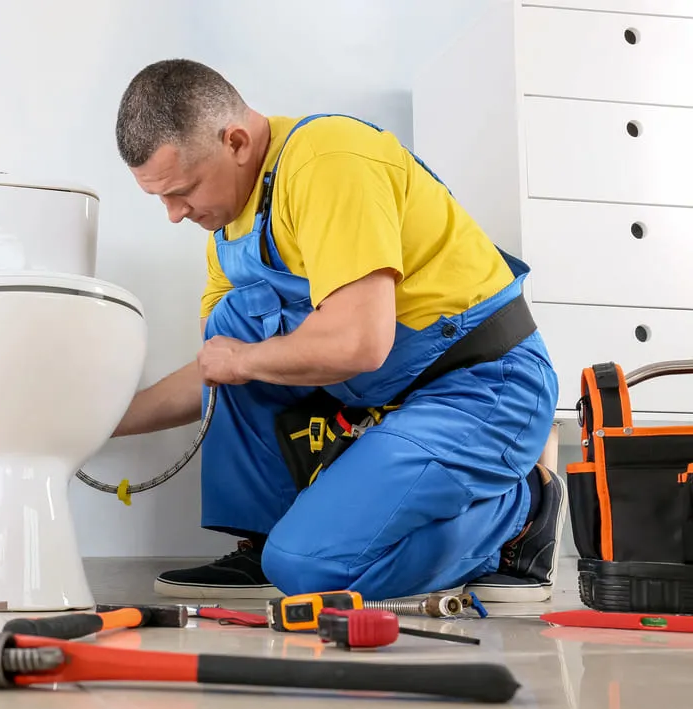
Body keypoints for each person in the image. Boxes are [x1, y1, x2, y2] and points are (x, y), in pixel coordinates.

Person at [111, 59, 564, 603]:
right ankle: (264, 546)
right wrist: (101, 421)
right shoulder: (230, 229)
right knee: (230, 326)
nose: (173, 214)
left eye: (181, 190)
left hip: (480, 386)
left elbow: (358, 343)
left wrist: (240, 361)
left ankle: (523, 509)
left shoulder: (329, 160)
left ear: (235, 141)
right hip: (392, 394)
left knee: (308, 570)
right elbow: (216, 369)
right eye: (159, 198)